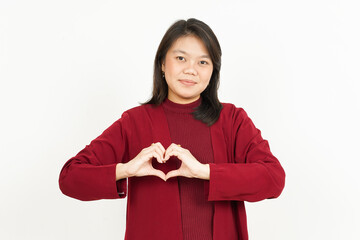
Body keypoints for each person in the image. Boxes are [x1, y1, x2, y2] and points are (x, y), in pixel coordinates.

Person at [59, 18, 286, 240]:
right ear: (162, 63)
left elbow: (274, 179)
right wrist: (126, 169)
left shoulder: (232, 120)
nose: (191, 70)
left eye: (203, 62)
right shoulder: (134, 122)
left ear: (213, 71)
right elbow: (70, 178)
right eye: (181, 58)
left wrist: (205, 171)